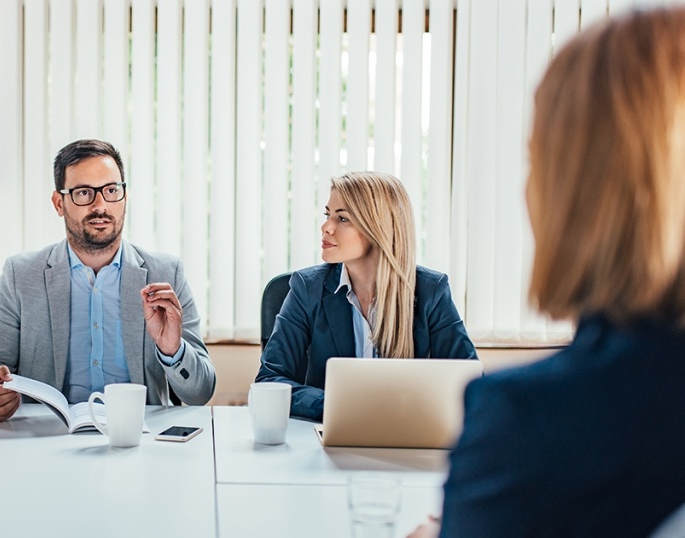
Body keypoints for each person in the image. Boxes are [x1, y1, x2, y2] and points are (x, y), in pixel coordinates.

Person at [410, 6, 685, 537]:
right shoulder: (305, 290)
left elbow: (462, 366)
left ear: (577, 189)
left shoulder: (526, 425)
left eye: (538, 158)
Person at [0, 139, 215, 421]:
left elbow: (201, 392)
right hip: (45, 437)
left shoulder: (166, 273)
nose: (100, 205)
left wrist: (172, 350)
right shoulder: (20, 275)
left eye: (111, 190)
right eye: (84, 193)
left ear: (125, 197)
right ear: (59, 203)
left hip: (136, 436)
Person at [255, 172, 476, 421]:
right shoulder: (307, 288)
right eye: (328, 215)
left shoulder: (431, 291)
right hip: (329, 435)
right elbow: (270, 380)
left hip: (408, 438)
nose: (326, 227)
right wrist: (339, 405)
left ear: (377, 228)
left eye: (342, 218)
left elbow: (468, 381)